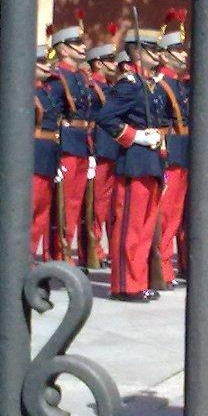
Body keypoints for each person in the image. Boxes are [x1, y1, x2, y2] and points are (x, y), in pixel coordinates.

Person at [95, 24, 170, 302]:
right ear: (137, 52)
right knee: (130, 227)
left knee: (146, 227)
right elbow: (106, 118)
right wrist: (135, 136)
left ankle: (138, 281)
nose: (158, 54)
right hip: (134, 162)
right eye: (152, 49)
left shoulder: (150, 85)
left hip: (152, 162)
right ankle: (124, 285)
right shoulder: (129, 85)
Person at [48, 16, 100, 267]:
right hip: (66, 143)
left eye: (82, 42)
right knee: (64, 204)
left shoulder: (80, 77)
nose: (83, 46)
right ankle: (59, 255)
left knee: (77, 203)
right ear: (63, 49)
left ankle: (68, 253)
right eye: (76, 43)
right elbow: (52, 114)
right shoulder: (57, 77)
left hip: (82, 143)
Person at [156, 11, 191, 287]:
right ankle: (161, 267)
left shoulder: (178, 84)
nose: (183, 55)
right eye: (177, 51)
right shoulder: (162, 85)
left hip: (182, 151)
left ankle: (167, 265)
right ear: (165, 55)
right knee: (166, 214)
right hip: (170, 153)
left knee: (176, 214)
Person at [84, 31, 120, 269]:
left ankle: (102, 248)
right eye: (110, 60)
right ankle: (94, 248)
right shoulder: (92, 86)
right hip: (99, 147)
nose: (114, 64)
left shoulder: (108, 86)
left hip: (111, 147)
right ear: (98, 63)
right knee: (97, 203)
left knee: (108, 204)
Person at [33, 43, 64, 259]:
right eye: (41, 62)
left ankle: (30, 255)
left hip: (49, 153)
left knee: (43, 210)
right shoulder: (25, 91)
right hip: (34, 154)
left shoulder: (47, 91)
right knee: (31, 208)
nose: (47, 66)